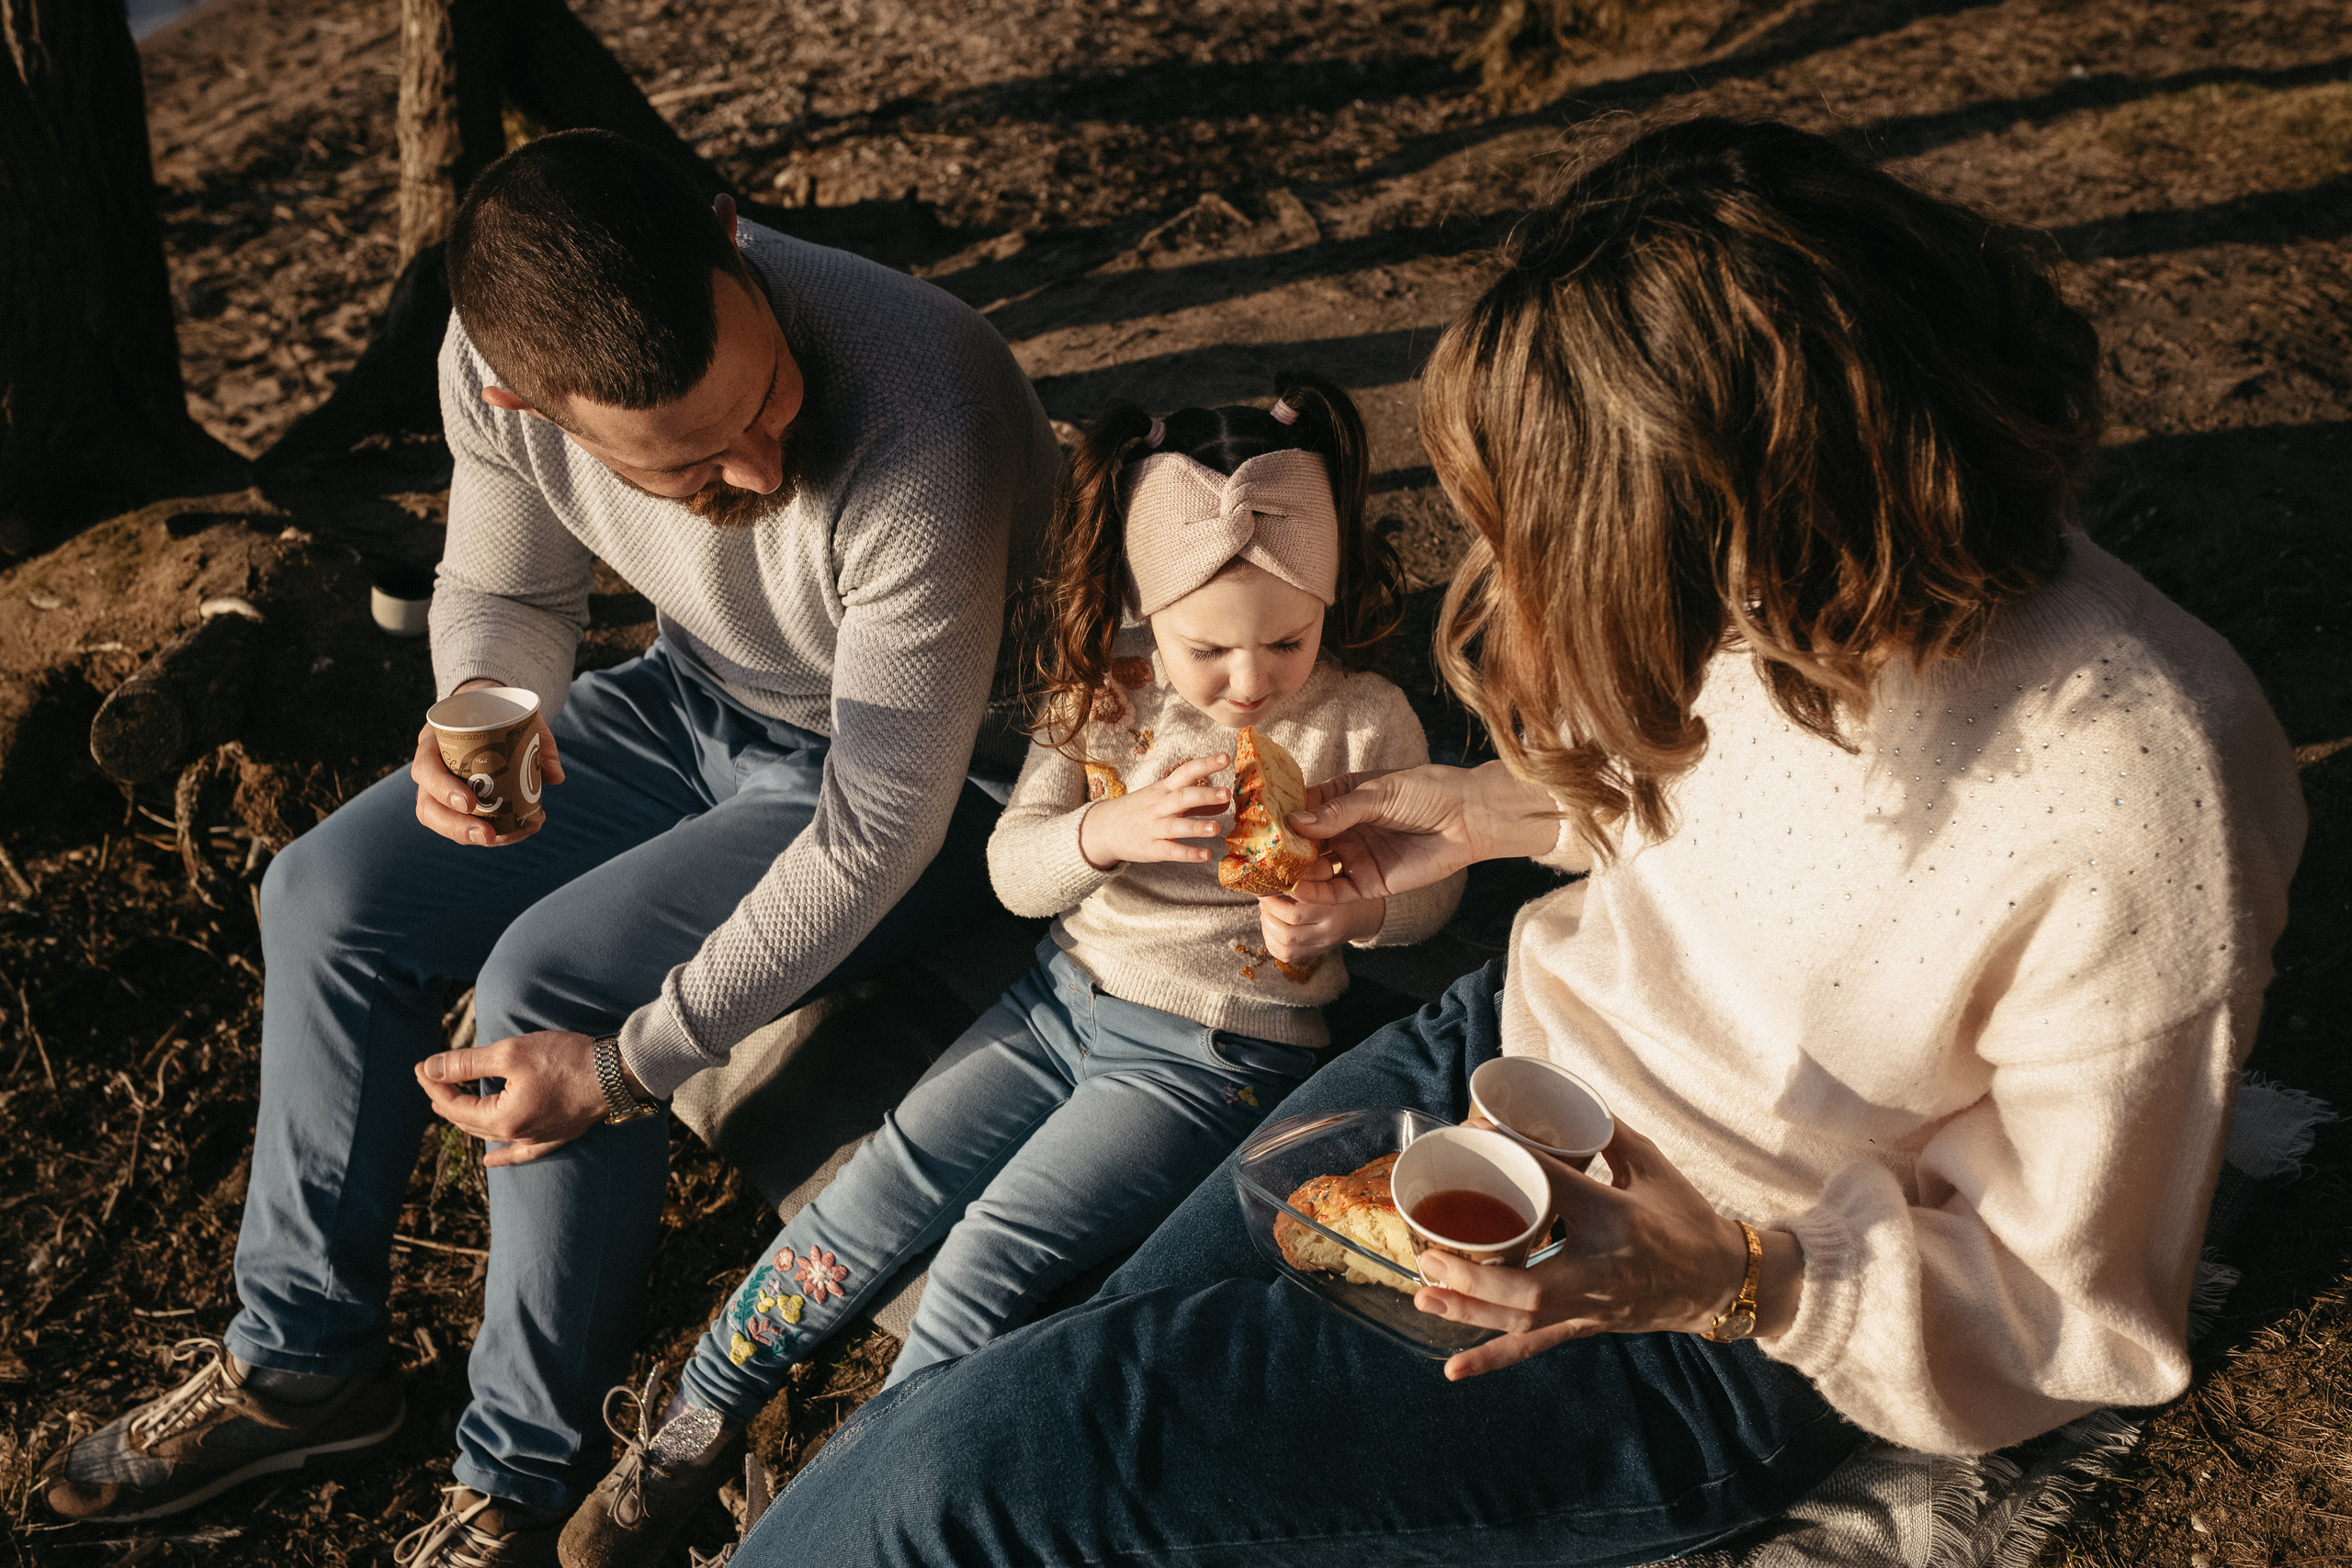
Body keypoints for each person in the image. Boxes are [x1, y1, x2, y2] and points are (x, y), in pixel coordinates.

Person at [721, 117, 2309, 1568]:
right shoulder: (1787, 579)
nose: (1529, 591)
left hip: (1712, 1308)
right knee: (1049, 1380)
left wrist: (1727, 1277)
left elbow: (2070, 1313)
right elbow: (1733, 836)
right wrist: (1475, 818)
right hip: (1498, 1060)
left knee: (959, 1479)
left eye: (1574, 533)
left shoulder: (2138, 790)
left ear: (1779, 489)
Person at [39, 129, 1061, 1565]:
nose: (763, 461)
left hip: (932, 778)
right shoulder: (490, 362)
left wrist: (638, 1062)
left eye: (765, 396)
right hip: (699, 696)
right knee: (325, 892)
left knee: (550, 982)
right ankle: (303, 1365)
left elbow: (884, 813)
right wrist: (486, 717)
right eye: (696, 466)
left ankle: (520, 1470)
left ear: (730, 239)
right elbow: (506, 587)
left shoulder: (919, 394)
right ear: (538, 402)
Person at [556, 376, 1464, 1567]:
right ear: (1151, 605)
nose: (1250, 683)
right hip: (1056, 1002)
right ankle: (702, 1410)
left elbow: (1431, 901)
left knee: (990, 1262)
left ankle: (845, 1510)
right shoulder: (1105, 700)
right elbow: (1011, 869)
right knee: (876, 1193)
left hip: (1216, 1053)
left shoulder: (1361, 722)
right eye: (1209, 649)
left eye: (1287, 640)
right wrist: (1106, 834)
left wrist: (1347, 914)